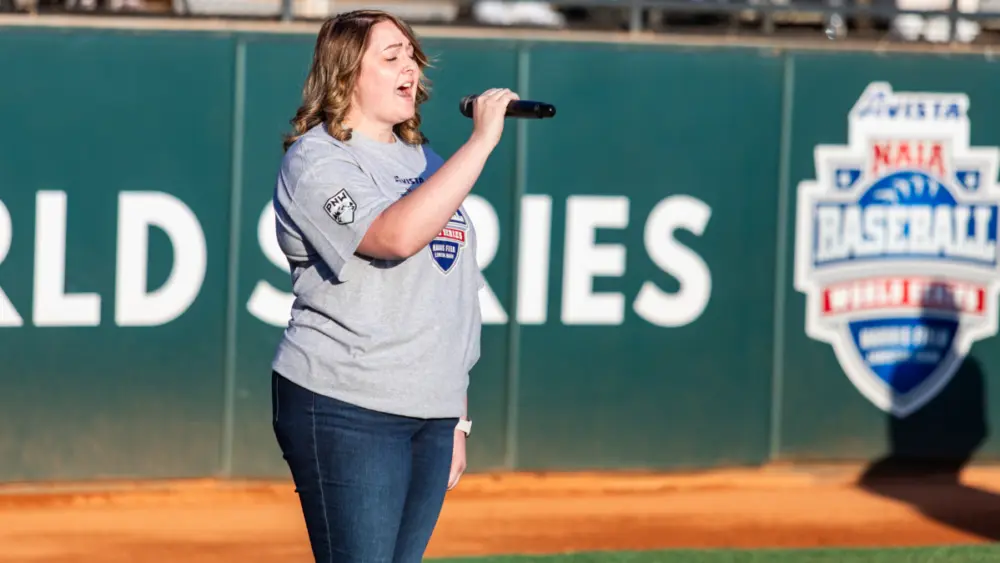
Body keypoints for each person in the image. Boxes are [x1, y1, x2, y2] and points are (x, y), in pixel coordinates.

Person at [268, 9, 520, 563]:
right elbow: (395, 236)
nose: (410, 68)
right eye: (391, 57)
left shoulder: (423, 159)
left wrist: (455, 411)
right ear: (346, 74)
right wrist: (481, 142)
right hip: (345, 402)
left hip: (429, 410)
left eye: (411, 56)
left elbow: (449, 295)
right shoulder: (317, 160)